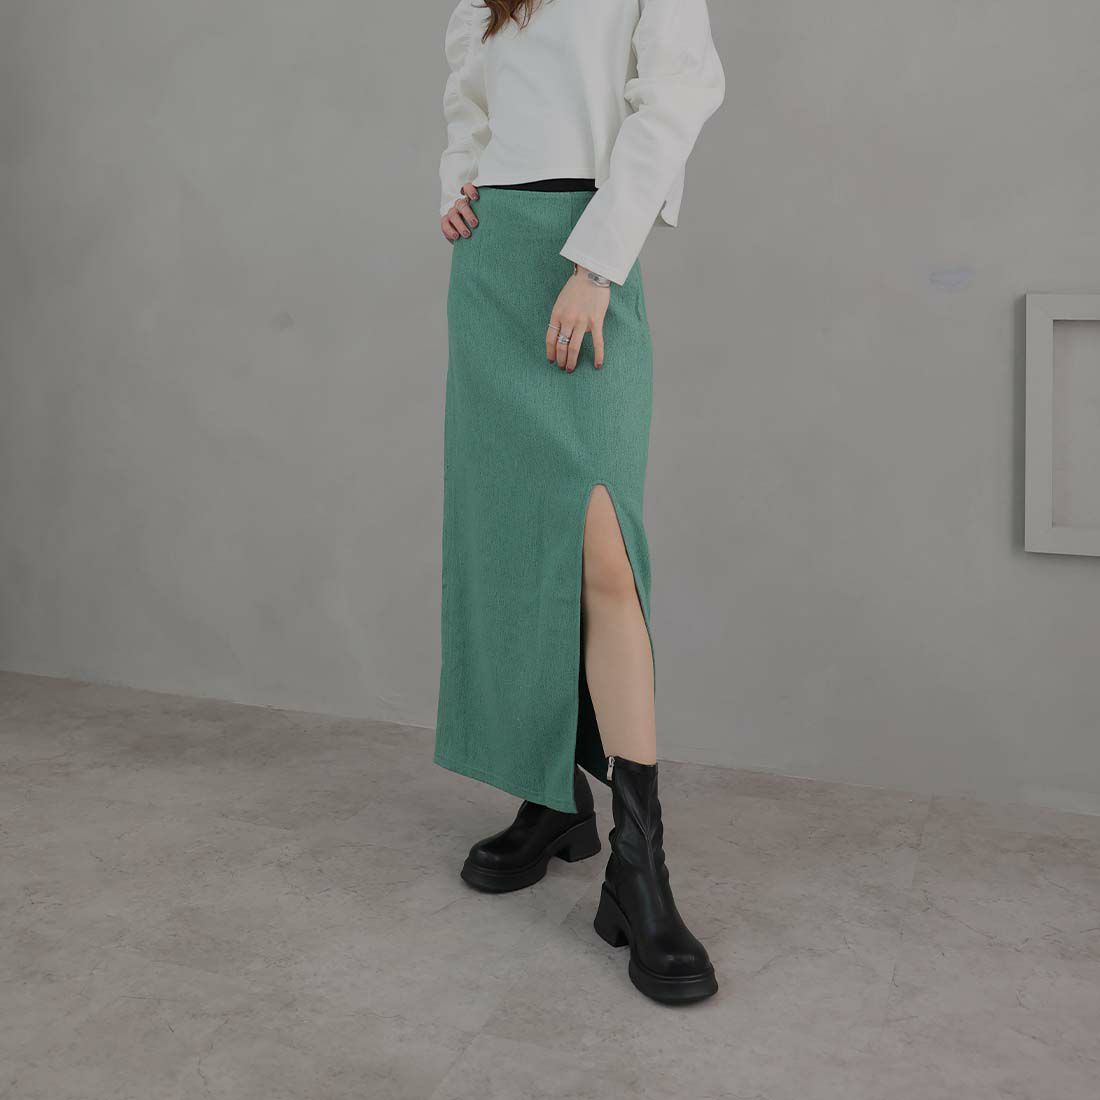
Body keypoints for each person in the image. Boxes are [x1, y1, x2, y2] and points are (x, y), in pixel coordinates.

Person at [434, 0, 725, 1005]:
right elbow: (470, 94)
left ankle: (640, 869)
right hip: (495, 261)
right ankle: (551, 797)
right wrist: (458, 177)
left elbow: (679, 90)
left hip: (587, 246)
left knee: (604, 554)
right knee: (515, 541)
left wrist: (598, 262)